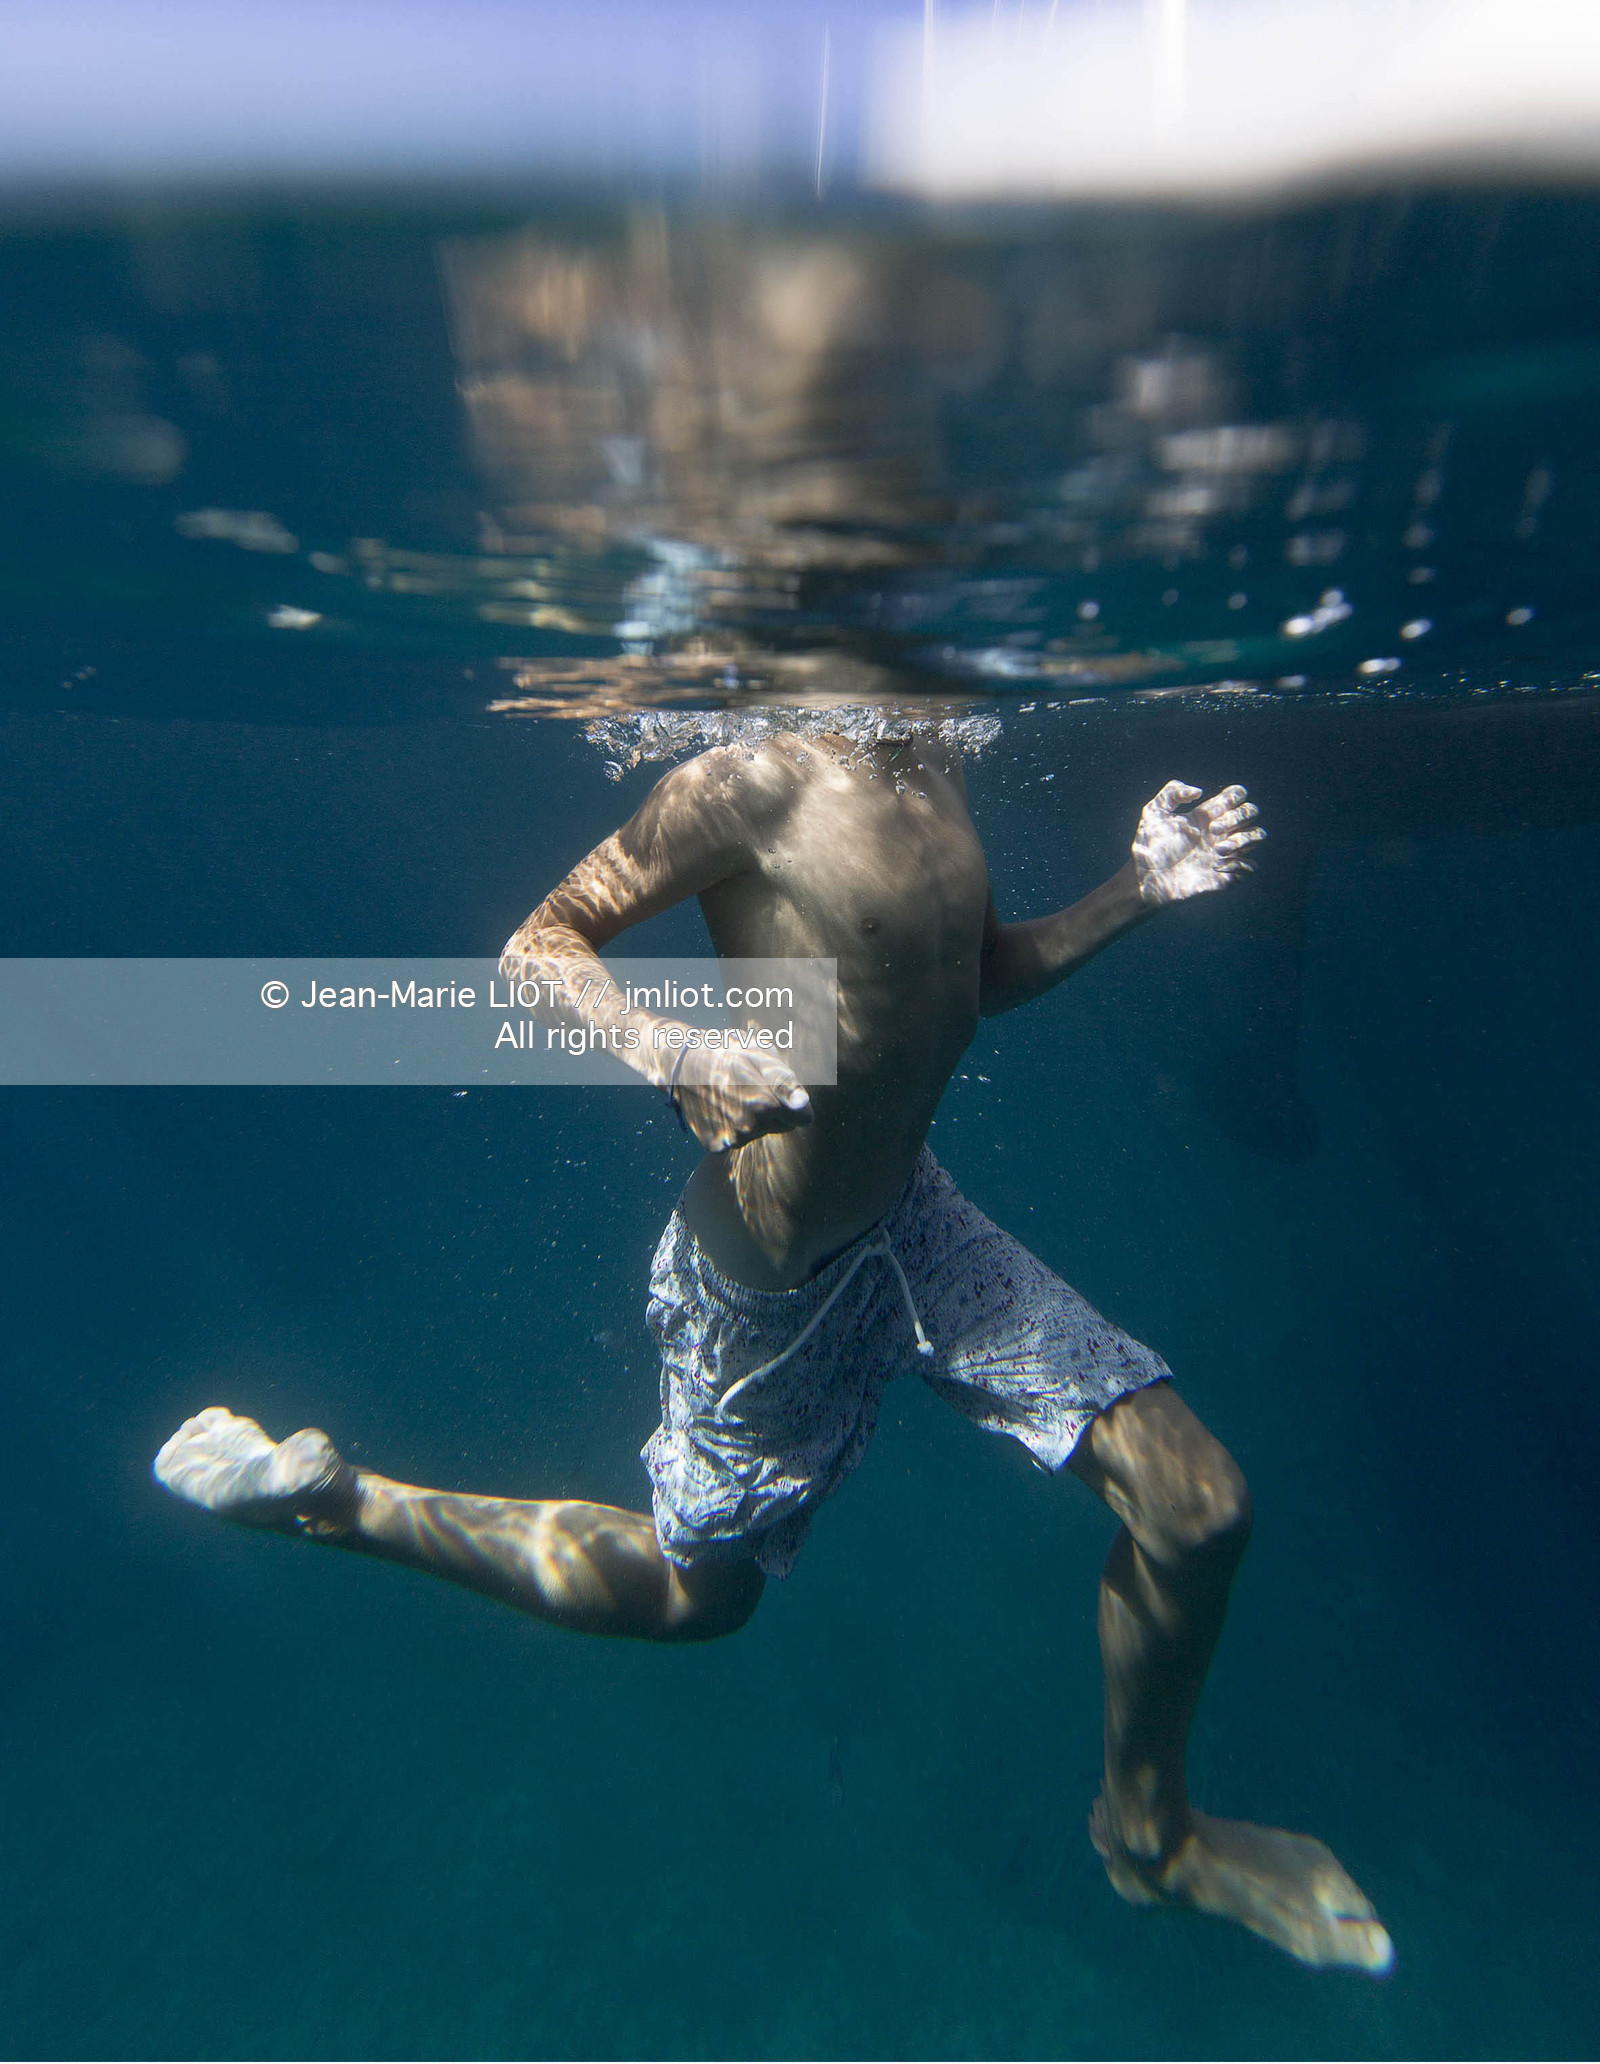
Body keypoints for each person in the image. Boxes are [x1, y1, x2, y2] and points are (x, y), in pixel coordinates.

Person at [155, 722, 1391, 1974]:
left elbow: (971, 981)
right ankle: (341, 1504)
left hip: (916, 1221)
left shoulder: (934, 757)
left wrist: (1136, 889)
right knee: (700, 1602)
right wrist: (673, 1051)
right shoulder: (749, 778)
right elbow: (537, 944)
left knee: (1198, 1510)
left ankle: (1151, 1840)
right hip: (771, 1279)